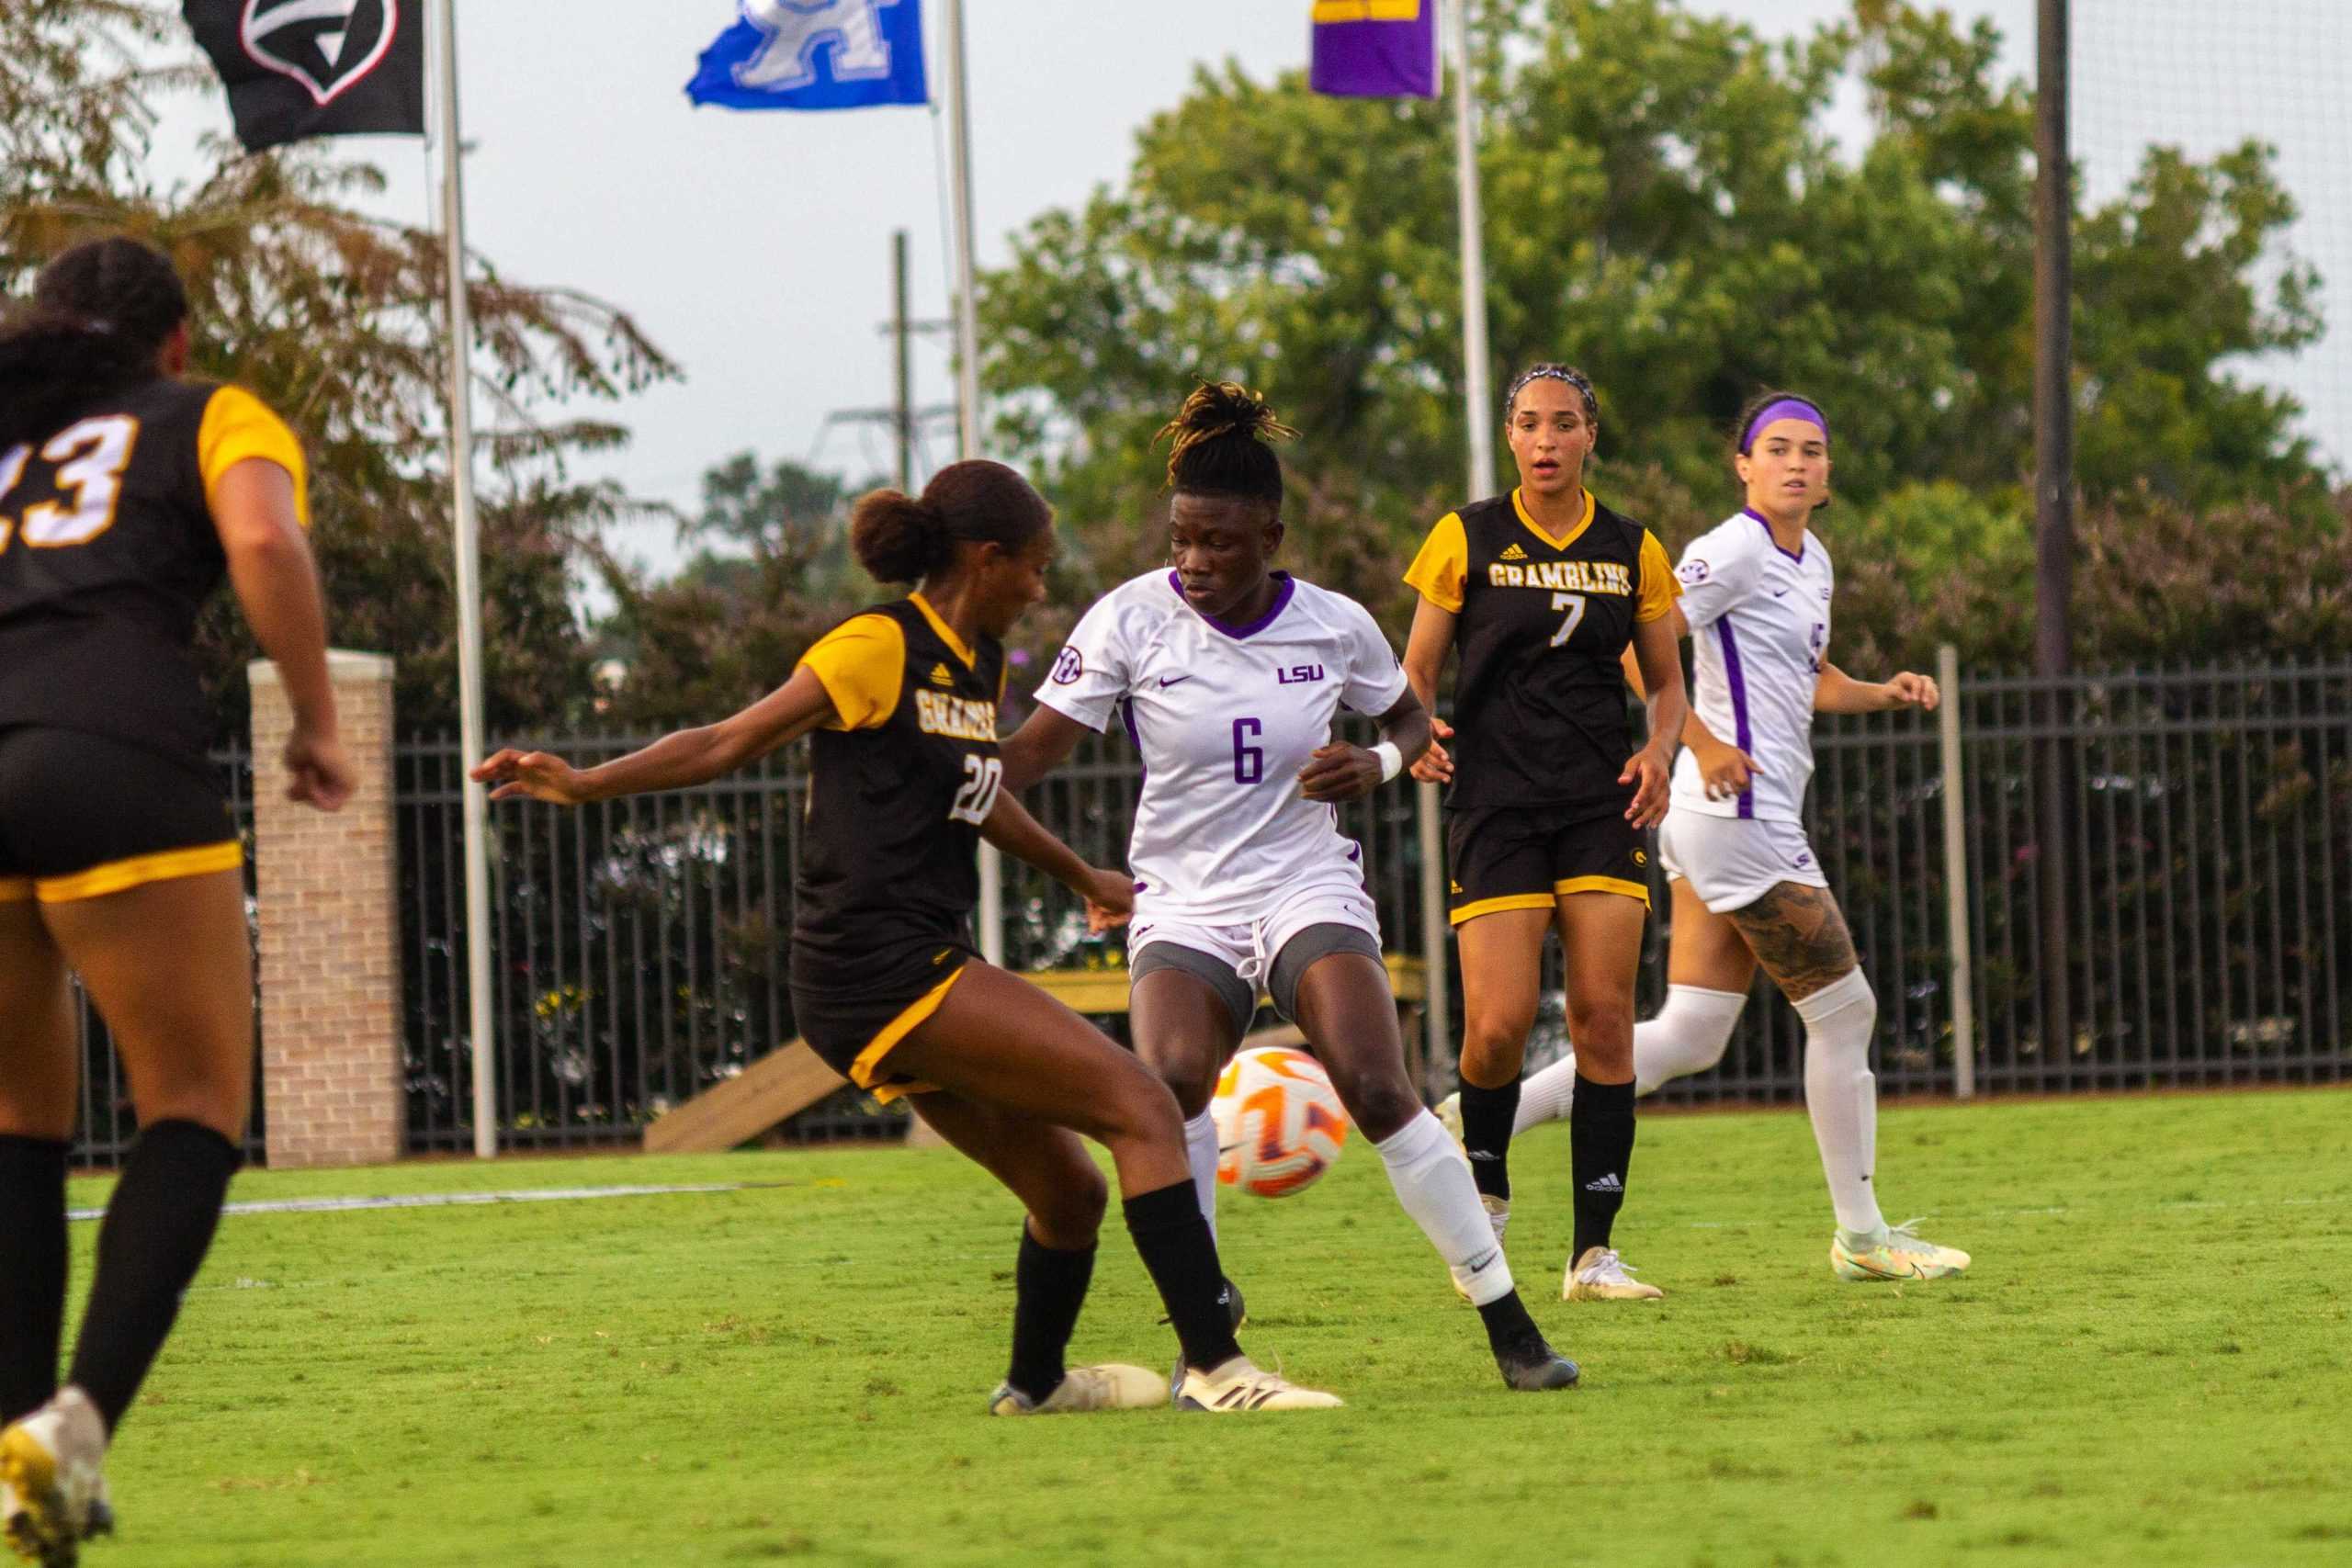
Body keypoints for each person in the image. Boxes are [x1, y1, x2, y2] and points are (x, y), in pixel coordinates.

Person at [474, 459, 1340, 1416]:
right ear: (987, 558)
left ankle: (1036, 1384)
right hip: (877, 966)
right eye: (1038, 568)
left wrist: (1081, 878)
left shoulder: (969, 666)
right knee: (1139, 1102)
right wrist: (587, 782)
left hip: (906, 965)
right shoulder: (876, 646)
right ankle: (1220, 1369)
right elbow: (729, 741)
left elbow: (980, 797)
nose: (1042, 588)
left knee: (1069, 1193)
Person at [1001, 383, 1578, 1393]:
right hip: (1182, 899)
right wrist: (942, 780)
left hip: (1305, 881)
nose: (1195, 561)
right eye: (1181, 538)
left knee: (1376, 1083)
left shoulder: (1335, 625)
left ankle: (1509, 1324)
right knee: (1170, 1082)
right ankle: (1204, 1333)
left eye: (1219, 542)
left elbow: (1408, 724)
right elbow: (1030, 755)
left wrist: (1381, 767)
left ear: (1270, 533)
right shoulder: (1129, 620)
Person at [0, 237, 356, 1567]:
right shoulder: (205, 408)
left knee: (18, 1125)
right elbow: (262, 531)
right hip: (113, 751)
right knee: (195, 1104)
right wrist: (317, 719)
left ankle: (18, 1452)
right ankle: (76, 1422)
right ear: (174, 343)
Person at [1476, 391, 1971, 1282]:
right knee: (1846, 1009)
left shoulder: (1809, 558)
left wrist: (1882, 692)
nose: (1795, 463)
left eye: (1811, 451)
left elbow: (1810, 678)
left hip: (1739, 820)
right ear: (1742, 466)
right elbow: (1638, 644)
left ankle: (1479, 1115)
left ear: (1826, 474)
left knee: (1694, 1031)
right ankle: (1862, 1238)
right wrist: (1699, 745)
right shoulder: (1728, 551)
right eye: (1775, 448)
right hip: (1734, 818)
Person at [1401, 363, 1689, 1306]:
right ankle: (1484, 1188)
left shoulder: (1630, 548)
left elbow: (1667, 684)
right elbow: (1417, 672)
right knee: (1494, 1027)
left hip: (1601, 800)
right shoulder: (1465, 536)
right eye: (1529, 424)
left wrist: (1660, 749)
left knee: (1604, 1020)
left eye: (1563, 424)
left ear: (1589, 437)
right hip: (1497, 803)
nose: (1545, 441)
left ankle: (1592, 1255)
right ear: (1512, 437)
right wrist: (1416, 736)